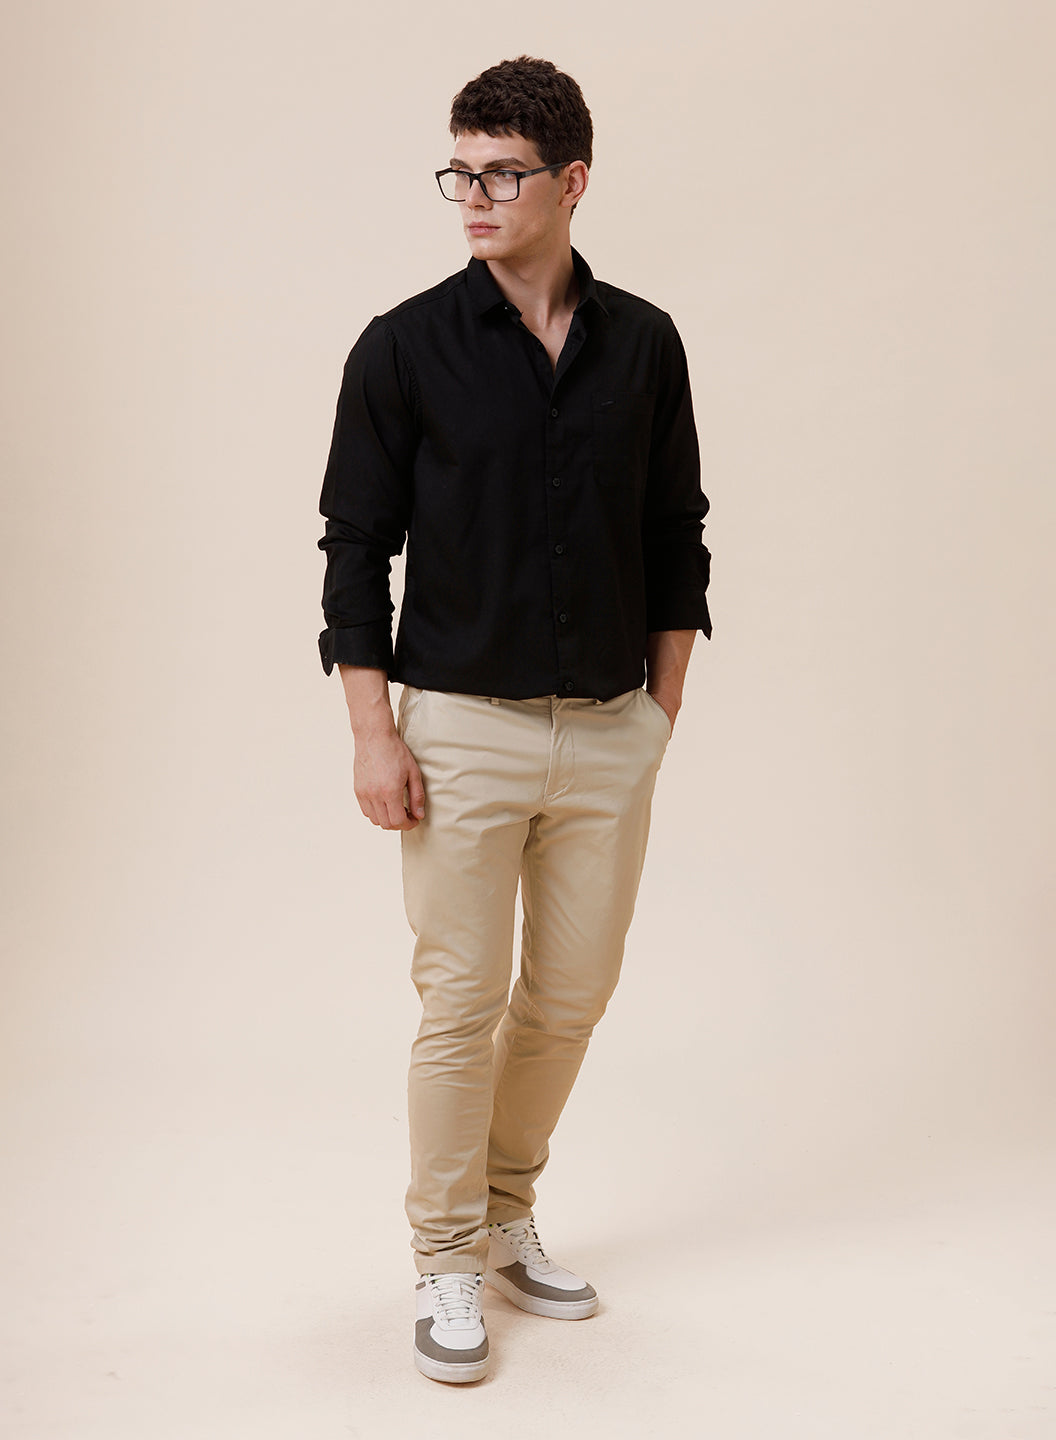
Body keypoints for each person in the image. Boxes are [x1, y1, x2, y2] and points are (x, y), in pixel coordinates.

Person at [317, 55, 710, 1384]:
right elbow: (354, 548)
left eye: (503, 174)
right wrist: (375, 731)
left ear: (571, 181)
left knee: (572, 995)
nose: (475, 196)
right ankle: (444, 1253)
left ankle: (504, 1209)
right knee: (461, 1000)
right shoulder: (404, 346)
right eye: (461, 172)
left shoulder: (644, 343)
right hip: (458, 732)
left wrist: (660, 711)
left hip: (608, 731)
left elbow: (675, 531)